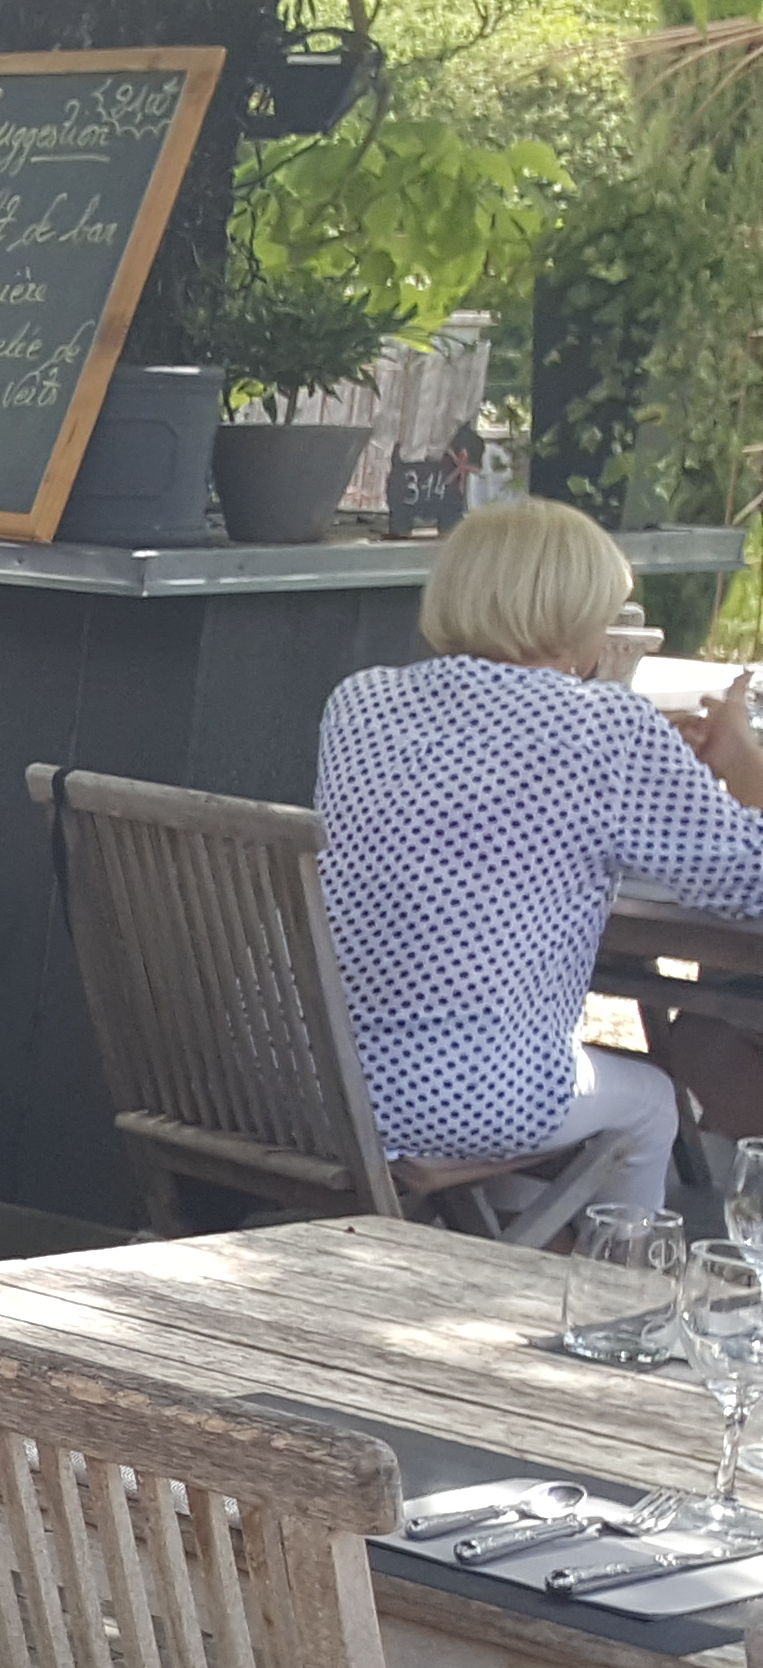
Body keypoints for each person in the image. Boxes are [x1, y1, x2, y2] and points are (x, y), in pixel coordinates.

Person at [317, 496, 763, 1221]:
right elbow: (749, 878)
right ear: (572, 614)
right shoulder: (608, 728)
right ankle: (612, 1276)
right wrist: (741, 760)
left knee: (558, 1087)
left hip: (315, 1078)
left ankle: (526, 1236)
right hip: (464, 1096)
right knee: (653, 1100)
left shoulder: (361, 704)